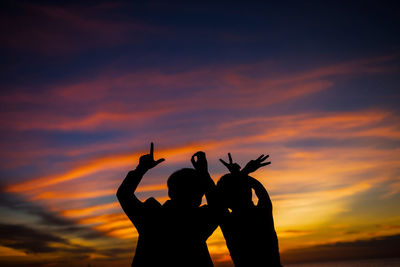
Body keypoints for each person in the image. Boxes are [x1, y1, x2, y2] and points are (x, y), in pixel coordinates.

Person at [116, 143, 218, 267]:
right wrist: (204, 174)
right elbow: (217, 207)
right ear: (200, 194)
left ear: (170, 192)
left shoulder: (151, 217)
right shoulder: (200, 219)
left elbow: (124, 194)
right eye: (200, 191)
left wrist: (141, 169)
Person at [217, 153, 282, 267]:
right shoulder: (263, 212)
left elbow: (215, 199)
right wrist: (241, 173)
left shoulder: (227, 221)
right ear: (249, 192)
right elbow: (258, 187)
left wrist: (241, 174)